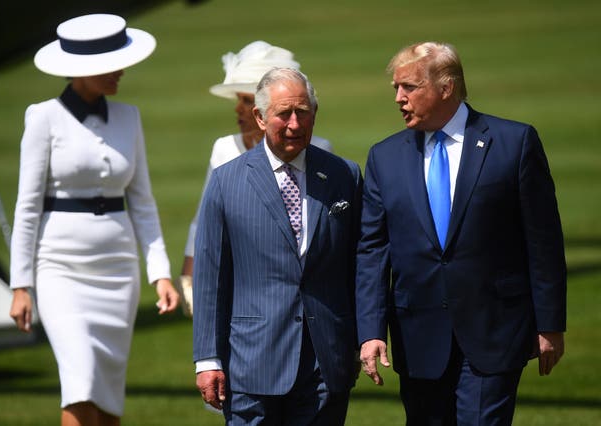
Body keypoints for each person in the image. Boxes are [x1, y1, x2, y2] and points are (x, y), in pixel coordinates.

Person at [356, 41, 567, 424]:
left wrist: (550, 323)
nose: (399, 98)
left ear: (446, 87)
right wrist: (370, 331)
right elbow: (372, 250)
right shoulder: (383, 157)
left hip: (494, 331)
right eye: (396, 89)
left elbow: (543, 240)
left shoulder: (514, 143)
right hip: (417, 336)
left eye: (409, 87)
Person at [8, 14, 179, 426]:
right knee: (80, 379)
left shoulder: (129, 116)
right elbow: (27, 206)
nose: (121, 71)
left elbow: (143, 202)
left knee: (106, 396)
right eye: (110, 64)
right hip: (59, 270)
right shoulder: (43, 117)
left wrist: (161, 274)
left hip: (118, 273)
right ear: (81, 70)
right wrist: (20, 284)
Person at [193, 67, 362, 424]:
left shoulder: (343, 175)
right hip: (251, 364)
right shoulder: (227, 182)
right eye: (284, 113)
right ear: (259, 115)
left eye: (303, 112)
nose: (295, 124)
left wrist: (363, 338)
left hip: (325, 362)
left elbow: (359, 265)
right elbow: (211, 277)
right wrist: (208, 359)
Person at [176, 41, 333, 317]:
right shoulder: (224, 148)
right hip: (242, 272)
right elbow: (204, 214)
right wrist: (190, 267)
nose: (238, 109)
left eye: (246, 101)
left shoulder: (320, 150)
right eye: (238, 100)